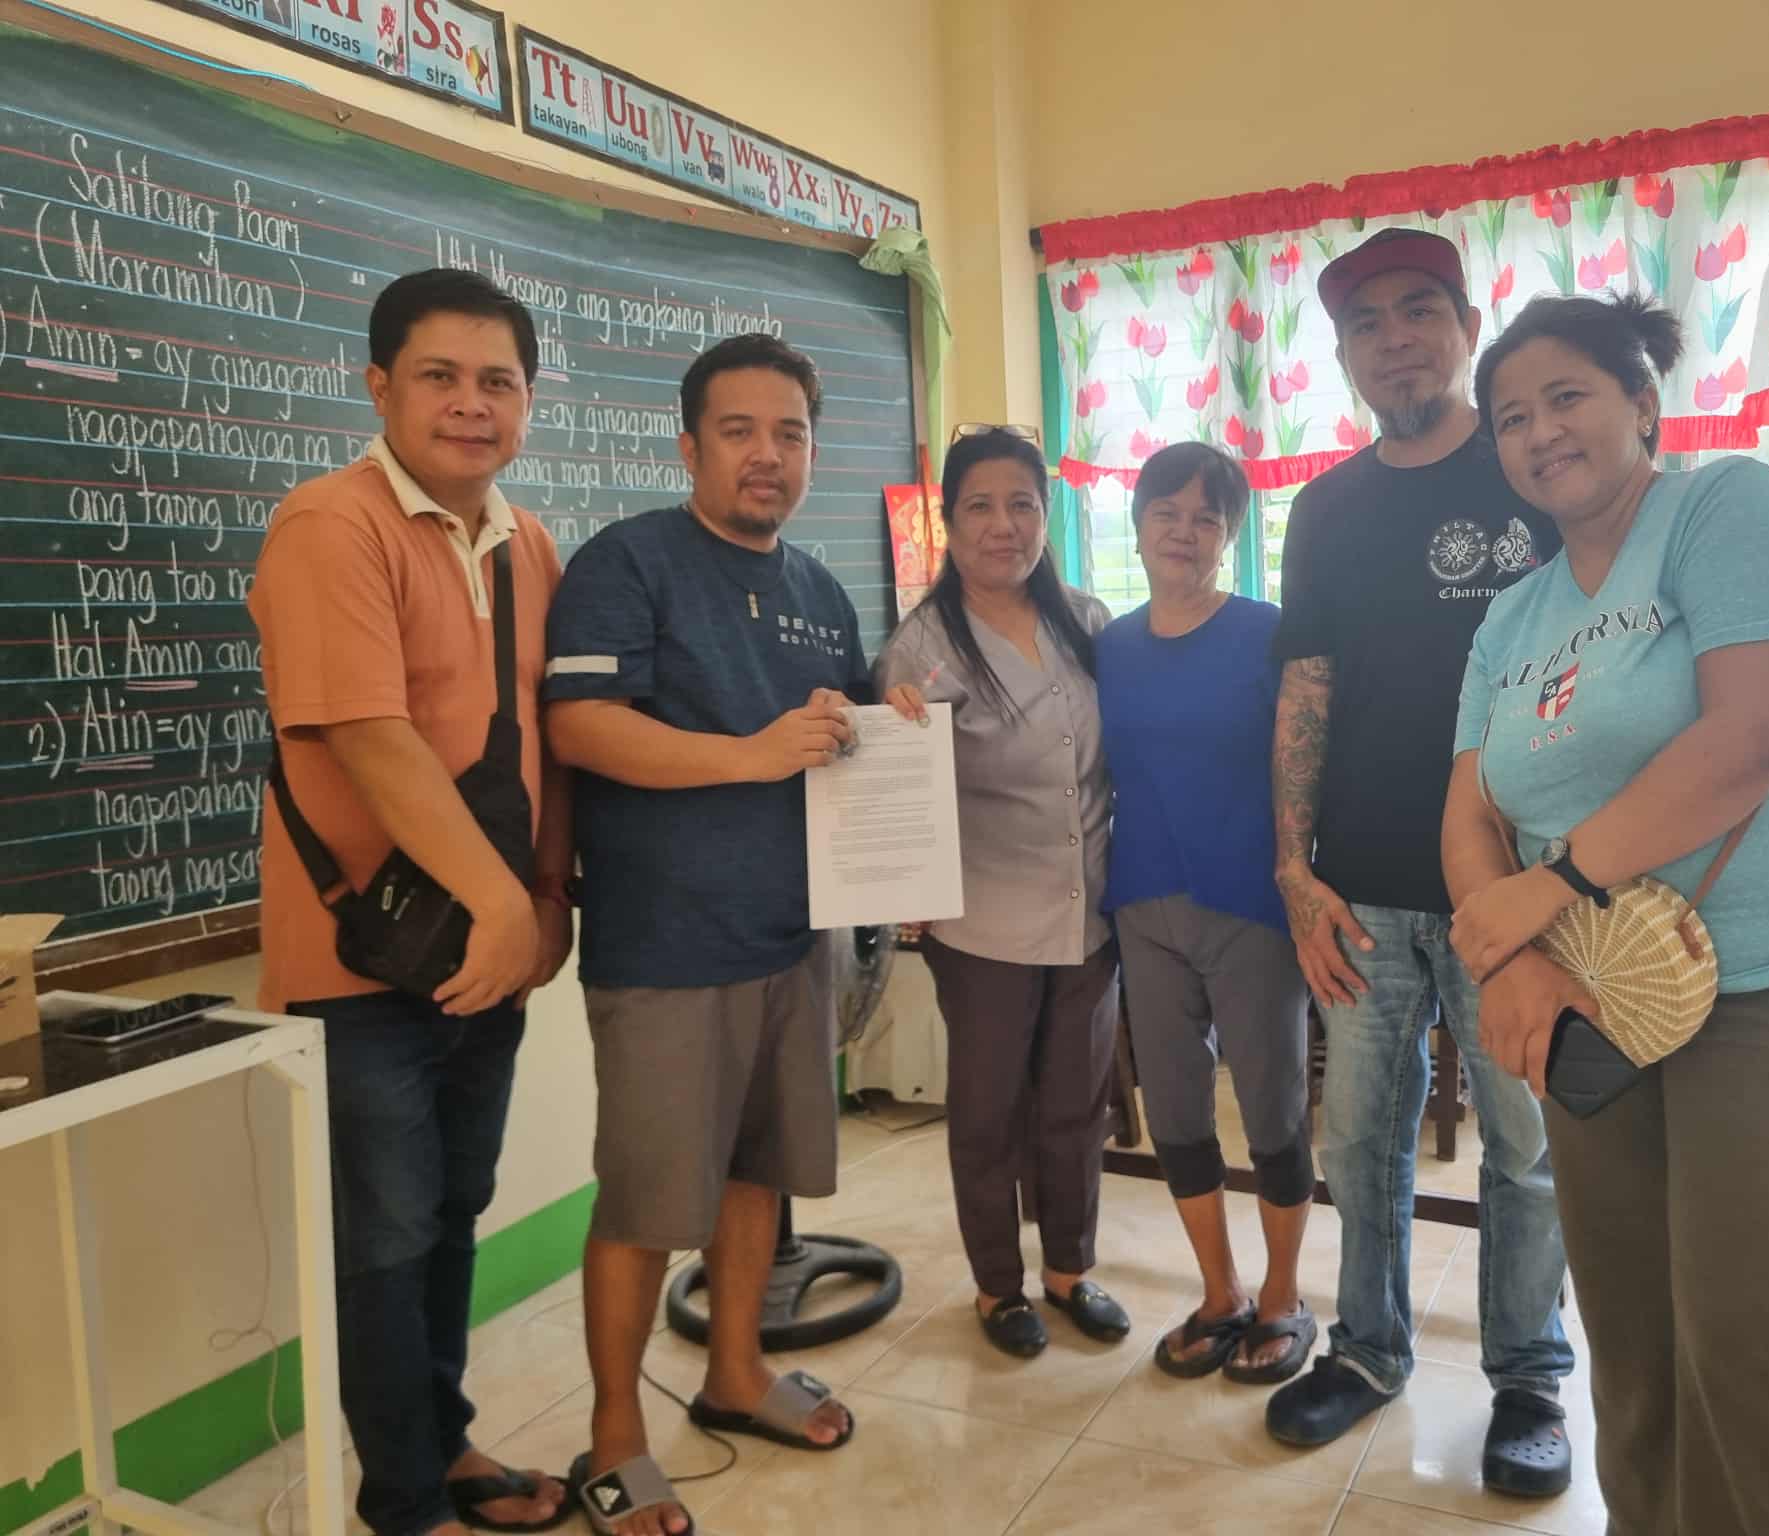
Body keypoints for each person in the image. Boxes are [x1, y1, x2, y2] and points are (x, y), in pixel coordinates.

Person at [1443, 292, 1769, 1536]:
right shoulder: (1509, 618)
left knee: (1741, 1342)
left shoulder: (1725, 508)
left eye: (1566, 397)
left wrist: (1554, 886)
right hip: (1590, 999)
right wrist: (1514, 961)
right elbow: (1468, 814)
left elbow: (1754, 733)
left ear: (1641, 404)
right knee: (1632, 1340)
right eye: (1510, 418)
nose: (1539, 432)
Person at [544, 335, 911, 1536]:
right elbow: (581, 725)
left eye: (789, 433)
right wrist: (747, 756)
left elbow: (841, 733)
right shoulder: (627, 562)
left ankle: (736, 1373)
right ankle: (614, 1436)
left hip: (788, 939)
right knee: (647, 1204)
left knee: (760, 1173)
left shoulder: (817, 590)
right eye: (739, 431)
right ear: (689, 444)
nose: (767, 454)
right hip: (665, 947)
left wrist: (889, 720)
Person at [249, 268, 576, 1536]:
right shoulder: (330, 526)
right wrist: (507, 905)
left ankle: (442, 1446)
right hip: (361, 960)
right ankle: (400, 1501)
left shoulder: (527, 544)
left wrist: (544, 898)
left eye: (498, 381)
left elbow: (541, 741)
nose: (470, 404)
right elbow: (368, 735)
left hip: (486, 949)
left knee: (450, 1210)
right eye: (439, 376)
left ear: (528, 401)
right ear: (379, 386)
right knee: (383, 1235)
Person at [1261, 228, 1574, 1496]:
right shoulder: (1325, 508)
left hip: (1521, 887)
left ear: (1464, 328)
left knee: (1524, 1149)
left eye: (1417, 312)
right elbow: (1305, 684)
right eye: (1365, 323)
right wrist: (1292, 867)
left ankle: (1528, 1378)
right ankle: (1367, 1349)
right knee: (1358, 1143)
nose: (1393, 340)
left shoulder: (1532, 468)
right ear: (1342, 355)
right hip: (1363, 890)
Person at [875, 427, 1129, 1360]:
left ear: (1046, 515)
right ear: (948, 520)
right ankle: (997, 1286)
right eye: (979, 505)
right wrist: (888, 733)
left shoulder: (1089, 623)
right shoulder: (922, 646)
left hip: (1088, 914)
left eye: (1022, 503)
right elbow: (888, 783)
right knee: (988, 1115)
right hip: (979, 923)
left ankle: (1068, 1270)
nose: (1002, 525)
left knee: (1075, 1106)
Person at [1091, 442, 1316, 1382]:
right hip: (1142, 901)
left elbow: (1307, 766)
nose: (1184, 533)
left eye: (1207, 518)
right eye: (1166, 513)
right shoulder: (1108, 646)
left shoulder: (1269, 633)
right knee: (1177, 1110)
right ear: (1138, 524)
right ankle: (1220, 1292)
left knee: (1272, 1106)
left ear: (1230, 536)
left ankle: (1283, 1296)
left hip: (1251, 901)